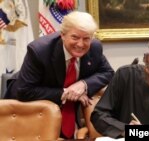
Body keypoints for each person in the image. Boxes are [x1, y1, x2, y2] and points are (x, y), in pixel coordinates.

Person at [7, 11, 114, 139]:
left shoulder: (94, 47)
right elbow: (25, 91)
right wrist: (66, 93)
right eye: (75, 37)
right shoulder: (39, 50)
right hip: (28, 108)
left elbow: (108, 72)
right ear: (63, 35)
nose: (80, 44)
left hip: (68, 113)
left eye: (86, 38)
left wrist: (83, 85)